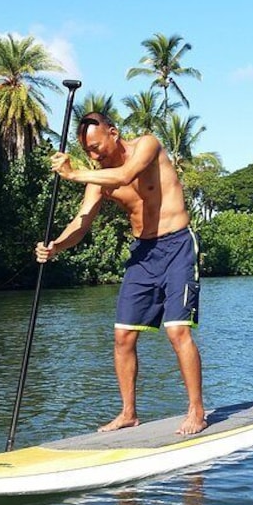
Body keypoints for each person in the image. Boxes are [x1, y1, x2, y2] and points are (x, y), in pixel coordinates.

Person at [35, 112, 207, 435]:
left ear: (114, 133)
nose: (94, 155)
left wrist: (74, 175)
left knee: (176, 331)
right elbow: (81, 223)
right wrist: (55, 246)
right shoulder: (100, 180)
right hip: (142, 254)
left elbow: (127, 175)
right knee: (122, 336)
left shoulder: (148, 145)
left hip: (178, 246)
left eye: (97, 146)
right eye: (87, 151)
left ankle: (196, 410)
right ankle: (128, 413)